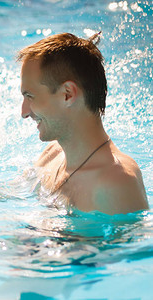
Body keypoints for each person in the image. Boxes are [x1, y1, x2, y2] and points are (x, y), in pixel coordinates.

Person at [17, 32, 148, 215]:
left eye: (30, 96)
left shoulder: (116, 183)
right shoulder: (51, 156)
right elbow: (12, 193)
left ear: (67, 94)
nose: (24, 112)